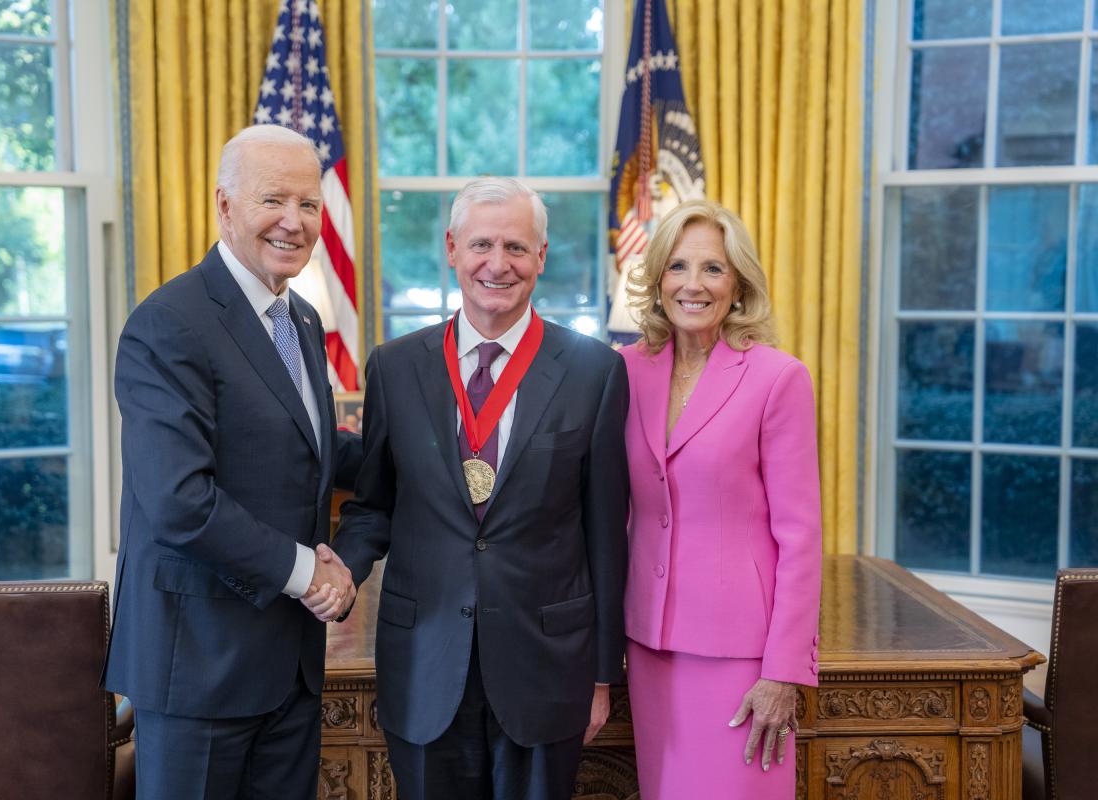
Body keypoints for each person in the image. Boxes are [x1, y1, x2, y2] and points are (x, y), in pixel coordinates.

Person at [329, 177, 630, 800]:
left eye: (517, 248)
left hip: (548, 664)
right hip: (424, 661)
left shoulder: (595, 371)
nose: (499, 264)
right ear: (451, 248)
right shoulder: (396, 365)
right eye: (482, 245)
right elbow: (375, 504)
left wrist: (602, 675)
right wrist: (339, 571)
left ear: (542, 257)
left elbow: (606, 535)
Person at [103, 125, 362, 799]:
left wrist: (446, 452)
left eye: (309, 205)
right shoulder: (170, 324)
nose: (296, 221)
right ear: (224, 205)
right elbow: (180, 501)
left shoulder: (300, 320)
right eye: (274, 199)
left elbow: (307, 451)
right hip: (198, 664)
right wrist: (310, 573)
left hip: (287, 665)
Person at [620, 199, 822, 799]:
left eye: (713, 269)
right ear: (658, 281)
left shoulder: (778, 378)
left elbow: (801, 535)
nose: (694, 284)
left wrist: (783, 669)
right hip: (649, 644)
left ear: (738, 285)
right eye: (678, 266)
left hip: (741, 654)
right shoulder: (624, 371)